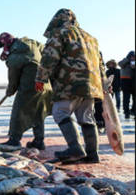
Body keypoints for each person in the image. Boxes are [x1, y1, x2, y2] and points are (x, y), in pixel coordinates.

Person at [35, 9, 106, 164]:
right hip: (92, 85)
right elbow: (100, 64)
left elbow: (50, 57)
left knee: (60, 112)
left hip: (69, 82)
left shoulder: (60, 33)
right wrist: (104, 84)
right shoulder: (90, 38)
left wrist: (41, 78)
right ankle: (93, 154)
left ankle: (75, 148)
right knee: (87, 117)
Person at [0, 33, 52, 149]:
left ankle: (14, 140)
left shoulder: (15, 54)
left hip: (30, 86)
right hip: (44, 84)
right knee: (38, 112)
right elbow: (47, 54)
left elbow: (13, 76)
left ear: (6, 43)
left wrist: (10, 90)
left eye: (2, 45)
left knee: (18, 111)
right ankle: (39, 141)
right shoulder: (31, 42)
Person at [118, 51, 135, 119]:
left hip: (134, 81)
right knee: (126, 99)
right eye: (131, 56)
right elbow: (119, 64)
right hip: (125, 81)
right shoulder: (125, 61)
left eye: (134, 56)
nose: (132, 57)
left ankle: (133, 111)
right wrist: (127, 60)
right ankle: (126, 112)